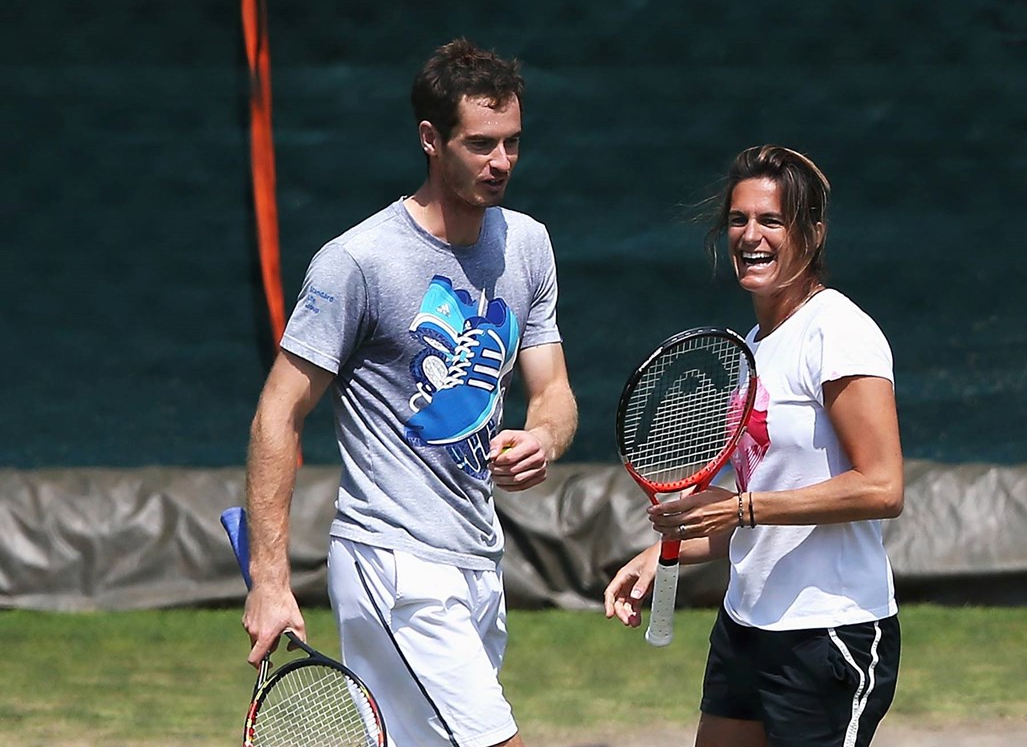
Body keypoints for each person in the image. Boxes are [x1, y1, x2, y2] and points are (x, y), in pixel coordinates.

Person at [241, 37, 577, 747]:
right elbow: (279, 412)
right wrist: (270, 579)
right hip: (393, 564)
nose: (502, 163)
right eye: (482, 144)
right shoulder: (358, 261)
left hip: (479, 559)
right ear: (431, 139)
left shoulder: (528, 246)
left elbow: (554, 391)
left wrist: (543, 437)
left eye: (513, 143)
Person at [604, 145, 904, 747]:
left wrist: (742, 508)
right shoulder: (754, 345)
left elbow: (882, 486)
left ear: (812, 234)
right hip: (747, 624)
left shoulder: (838, 331)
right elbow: (761, 499)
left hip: (828, 635)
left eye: (772, 220)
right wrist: (664, 553)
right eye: (739, 220)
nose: (751, 235)